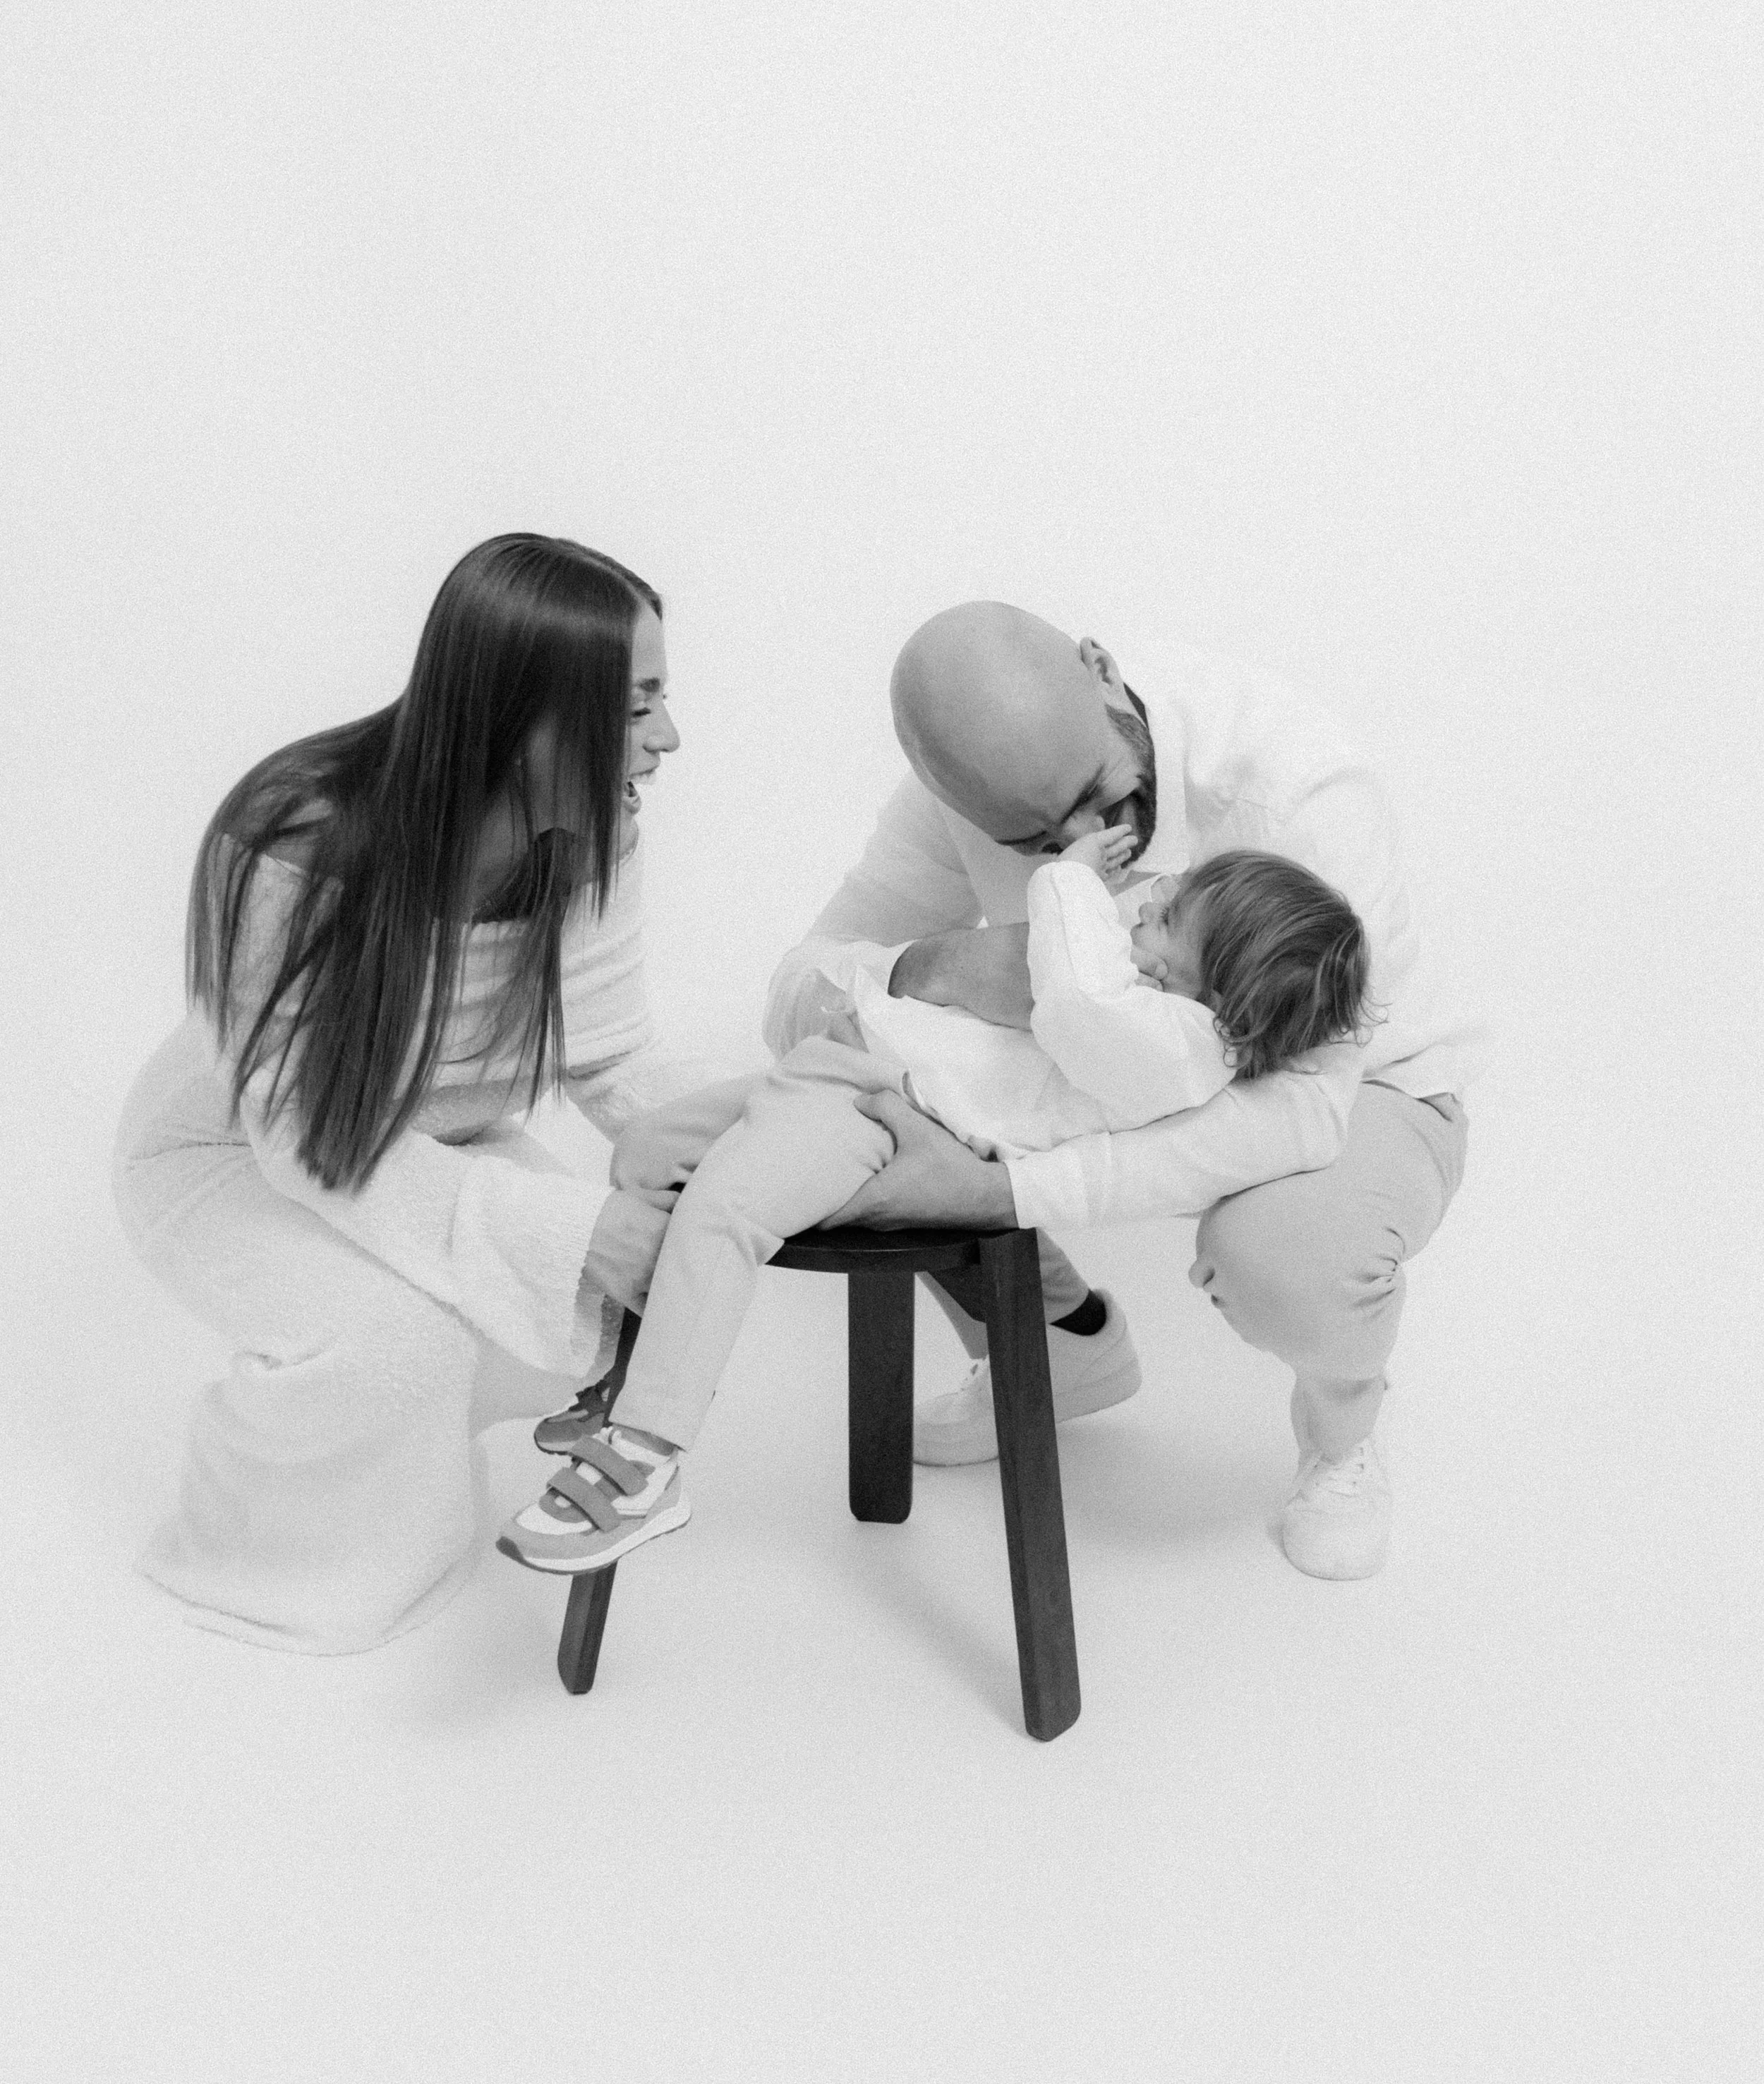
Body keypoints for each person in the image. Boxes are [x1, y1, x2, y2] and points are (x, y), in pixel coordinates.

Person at [756, 602, 1481, 1581]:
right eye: (1033, 840)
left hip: (1352, 1092)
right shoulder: (967, 787)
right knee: (859, 1097)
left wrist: (1009, 1193)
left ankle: (1342, 1430)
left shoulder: (1296, 787)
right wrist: (938, 967)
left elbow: (1297, 1115)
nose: (1090, 838)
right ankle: (1064, 1344)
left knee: (1280, 1254)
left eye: (1095, 793)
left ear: (1101, 668)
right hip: (1106, 1087)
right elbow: (797, 994)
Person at [111, 533, 717, 1651]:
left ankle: (399, 1502)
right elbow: (299, 1134)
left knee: (587, 1310)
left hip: (435, 1141)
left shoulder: (594, 837)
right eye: (637, 706)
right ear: (528, 716)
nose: (668, 735)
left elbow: (613, 1057)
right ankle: (251, 1541)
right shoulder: (296, 837)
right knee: (401, 1343)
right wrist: (579, 1230)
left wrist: (760, 1151)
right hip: (233, 1148)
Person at [500, 830, 1374, 1573]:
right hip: (835, 1067)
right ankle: (628, 1373)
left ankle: (646, 1455)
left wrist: (1069, 875)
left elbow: (1076, 999)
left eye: (1174, 916)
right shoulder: (1152, 1007)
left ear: (1220, 993)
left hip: (878, 1112)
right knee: (648, 1153)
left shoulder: (1178, 1045)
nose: (1155, 896)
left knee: (724, 1210)